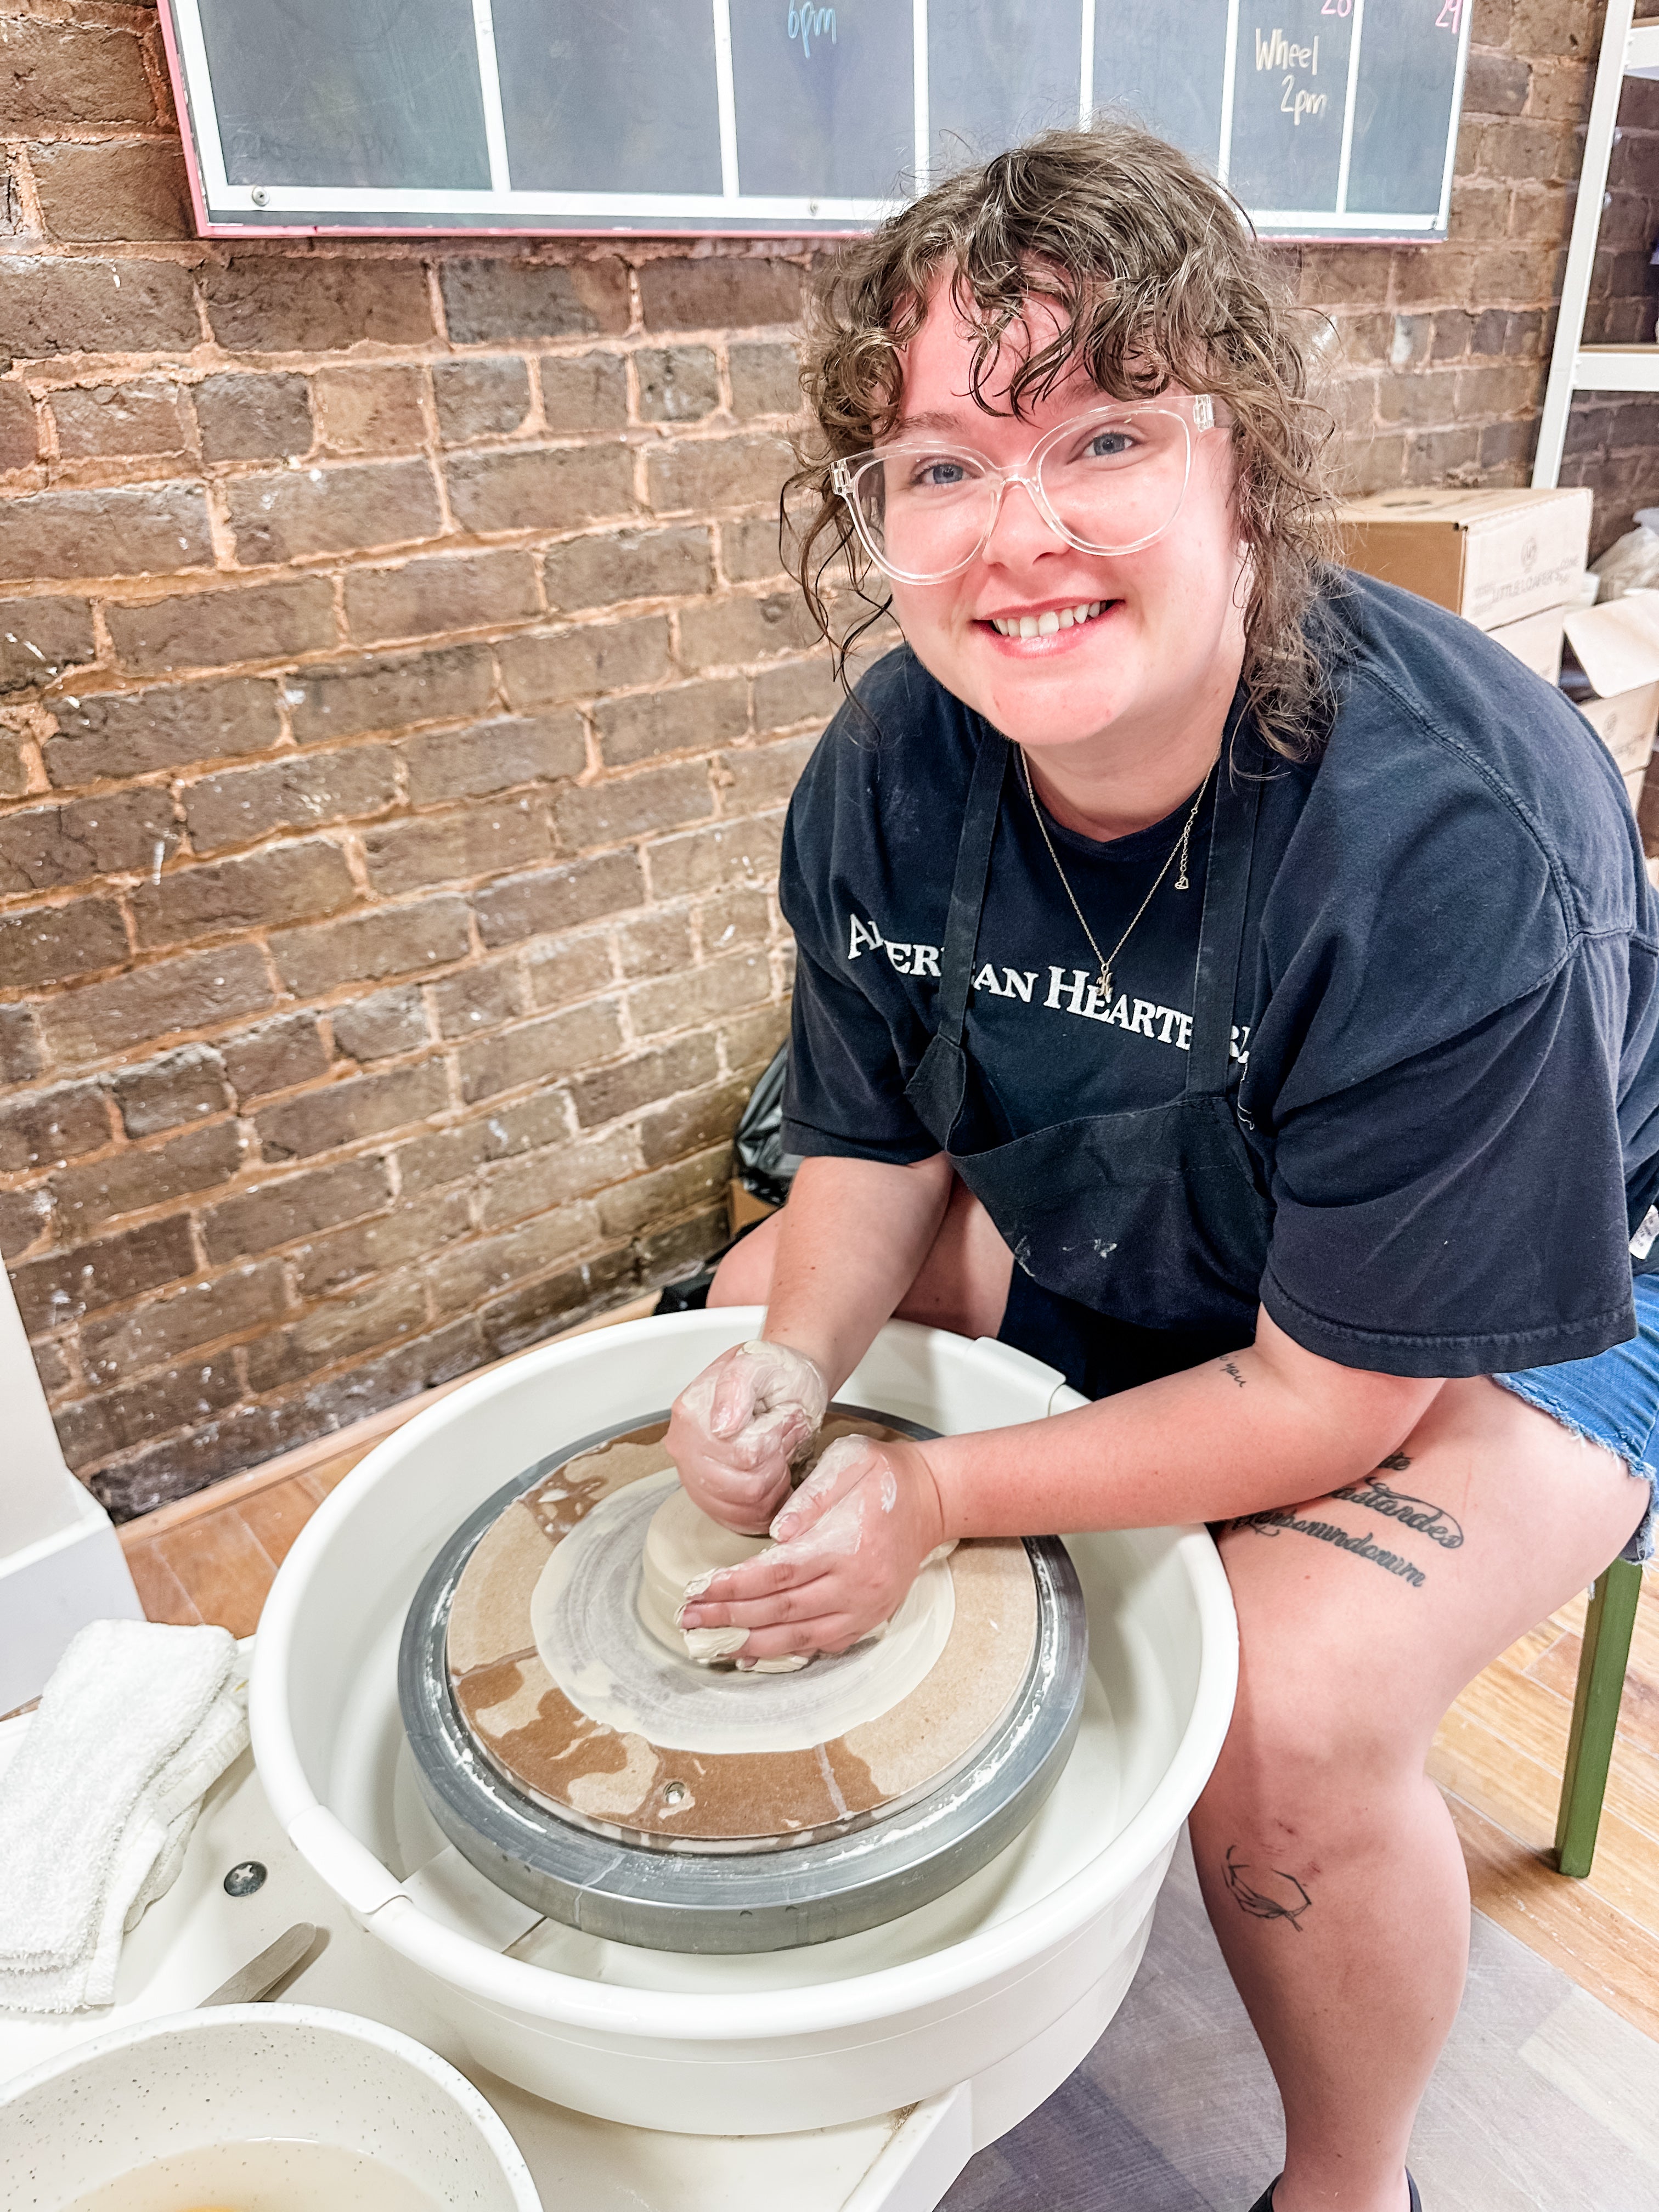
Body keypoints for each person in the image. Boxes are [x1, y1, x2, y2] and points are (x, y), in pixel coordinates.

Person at [661, 126, 1659, 2212]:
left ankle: (1350, 2178)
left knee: (1276, 1708)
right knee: (756, 1327)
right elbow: (869, 1148)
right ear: (880, 515)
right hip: (1161, 1196)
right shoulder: (895, 759)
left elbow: (1333, 1401)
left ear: (1245, 465)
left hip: (1525, 1293)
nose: (1017, 535)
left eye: (1102, 436)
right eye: (941, 466)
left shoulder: (1454, 831)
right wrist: (795, 1370)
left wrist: (932, 1491)